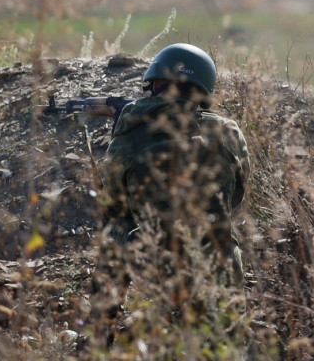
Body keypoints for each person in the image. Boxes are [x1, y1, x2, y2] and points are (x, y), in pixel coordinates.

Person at [96, 43, 251, 324]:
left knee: (113, 231)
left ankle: (101, 331)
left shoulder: (130, 133)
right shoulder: (229, 133)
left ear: (154, 82)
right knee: (225, 241)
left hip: (154, 266)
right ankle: (229, 334)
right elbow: (237, 195)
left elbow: (115, 205)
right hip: (215, 269)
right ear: (203, 91)